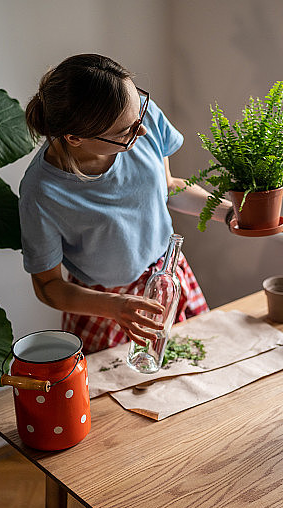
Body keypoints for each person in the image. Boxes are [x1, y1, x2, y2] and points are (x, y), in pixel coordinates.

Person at [19, 53, 233, 354]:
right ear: (74, 138)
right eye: (125, 131)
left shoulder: (134, 116)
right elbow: (48, 286)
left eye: (140, 116)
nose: (142, 130)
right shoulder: (41, 192)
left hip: (169, 276)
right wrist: (115, 306)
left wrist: (229, 213)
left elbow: (168, 187)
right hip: (104, 307)